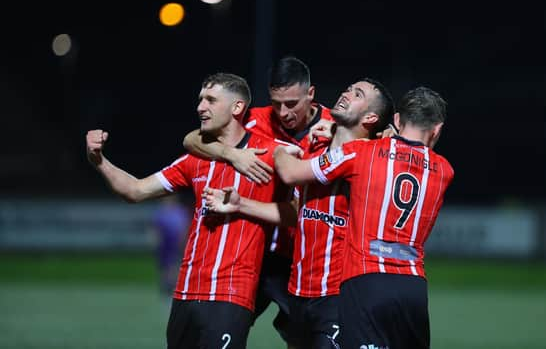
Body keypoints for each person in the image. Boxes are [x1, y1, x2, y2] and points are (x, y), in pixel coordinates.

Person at [86, 73, 286, 349]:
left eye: (211, 100)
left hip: (231, 294)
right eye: (200, 99)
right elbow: (134, 190)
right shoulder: (196, 159)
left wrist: (244, 205)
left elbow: (296, 212)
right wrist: (98, 161)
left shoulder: (272, 153)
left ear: (237, 108)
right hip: (185, 294)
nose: (200, 107)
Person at [203, 78, 395, 348]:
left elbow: (290, 173)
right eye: (348, 88)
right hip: (299, 291)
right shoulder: (313, 149)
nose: (346, 93)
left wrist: (278, 149)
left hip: (338, 295)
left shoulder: (370, 154)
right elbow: (295, 212)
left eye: (358, 93)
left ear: (372, 116)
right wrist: (240, 204)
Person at [272, 86, 454, 349]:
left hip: (366, 281)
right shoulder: (445, 170)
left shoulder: (362, 153)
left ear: (397, 120)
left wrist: (280, 151)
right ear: (436, 129)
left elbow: (290, 173)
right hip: (413, 285)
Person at [183, 56, 333, 347]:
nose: (283, 112)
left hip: (304, 259)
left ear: (311, 94)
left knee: (305, 340)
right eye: (277, 103)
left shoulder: (335, 126)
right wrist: (232, 154)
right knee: (217, 333)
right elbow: (192, 140)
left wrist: (387, 134)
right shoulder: (257, 119)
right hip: (257, 256)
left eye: (292, 103)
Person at [152, 193, 191, 298]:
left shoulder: (180, 211)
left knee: (174, 264)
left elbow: (184, 226)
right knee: (165, 265)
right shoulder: (161, 211)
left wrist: (182, 240)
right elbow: (156, 228)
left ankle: (173, 285)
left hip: (175, 241)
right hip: (165, 242)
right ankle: (166, 285)